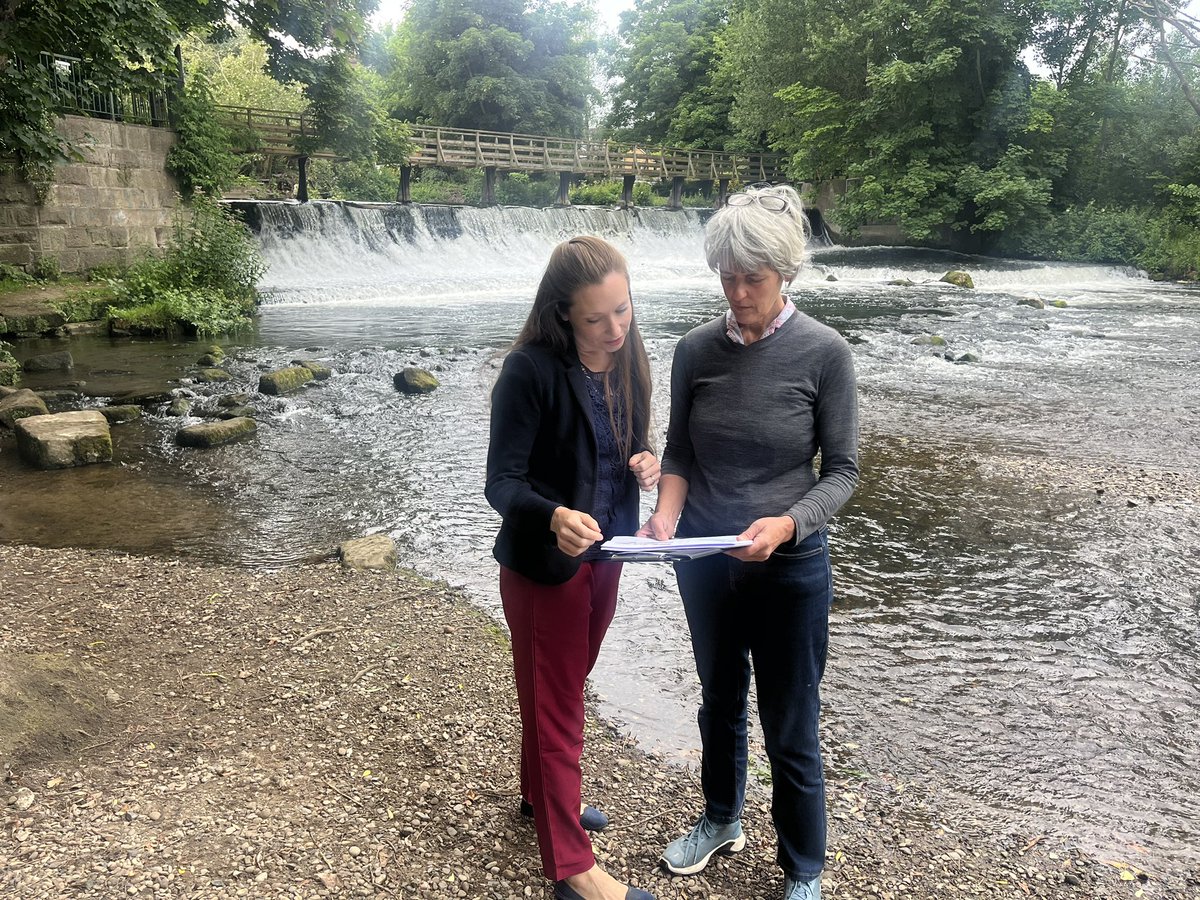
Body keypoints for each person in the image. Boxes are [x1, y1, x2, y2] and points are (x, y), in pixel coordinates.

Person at [637, 184, 859, 900]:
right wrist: (666, 519)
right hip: (703, 561)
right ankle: (722, 819)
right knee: (719, 699)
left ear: (785, 273)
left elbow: (844, 472)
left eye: (752, 279)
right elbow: (678, 454)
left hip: (790, 565)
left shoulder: (825, 353)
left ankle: (803, 871)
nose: (736, 292)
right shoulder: (693, 350)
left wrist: (789, 523)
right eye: (726, 277)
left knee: (790, 723)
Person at [485, 236, 661, 900]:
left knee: (558, 689)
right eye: (597, 319)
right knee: (560, 707)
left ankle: (540, 798)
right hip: (544, 569)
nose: (615, 330)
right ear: (563, 315)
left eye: (624, 311)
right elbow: (501, 484)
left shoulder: (628, 356)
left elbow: (628, 442)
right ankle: (573, 868)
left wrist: (646, 461)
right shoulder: (528, 372)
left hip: (609, 556)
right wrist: (555, 515)